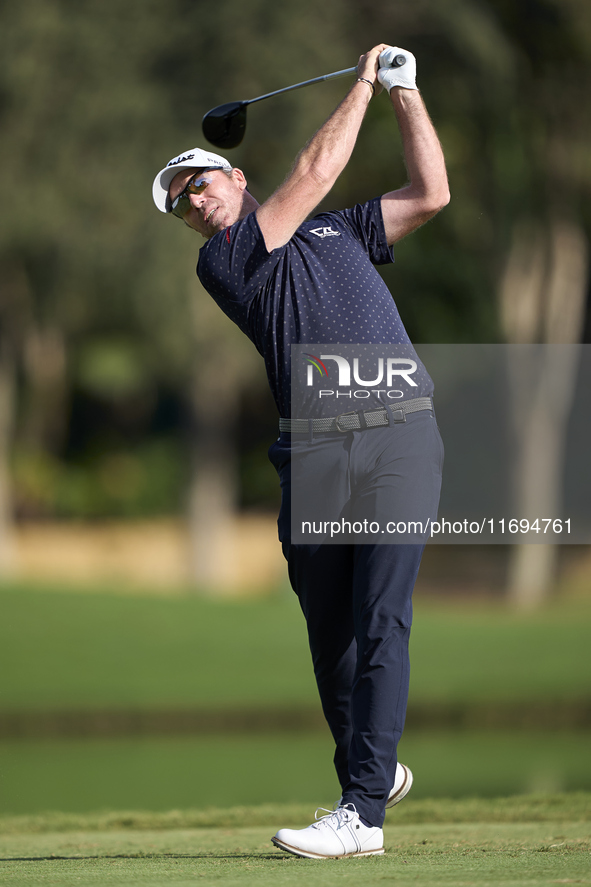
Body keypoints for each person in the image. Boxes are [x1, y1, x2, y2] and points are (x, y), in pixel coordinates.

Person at [152, 43, 449, 859]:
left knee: (382, 617)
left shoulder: (338, 230)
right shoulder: (229, 261)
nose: (194, 204)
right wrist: (360, 83)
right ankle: (373, 764)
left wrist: (403, 93)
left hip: (396, 432)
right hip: (313, 454)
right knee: (332, 636)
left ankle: (361, 813)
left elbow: (431, 193)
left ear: (235, 178)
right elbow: (314, 172)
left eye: (199, 183)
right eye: (179, 203)